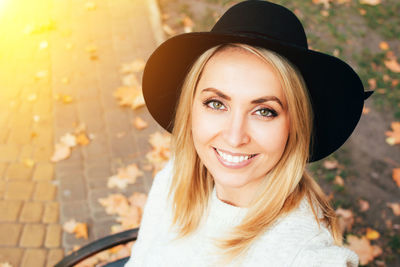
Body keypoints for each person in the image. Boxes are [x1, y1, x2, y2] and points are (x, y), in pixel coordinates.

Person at [125, 1, 372, 266]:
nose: (234, 137)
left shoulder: (305, 256)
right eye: (216, 104)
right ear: (190, 109)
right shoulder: (175, 175)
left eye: (264, 111)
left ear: (295, 126)